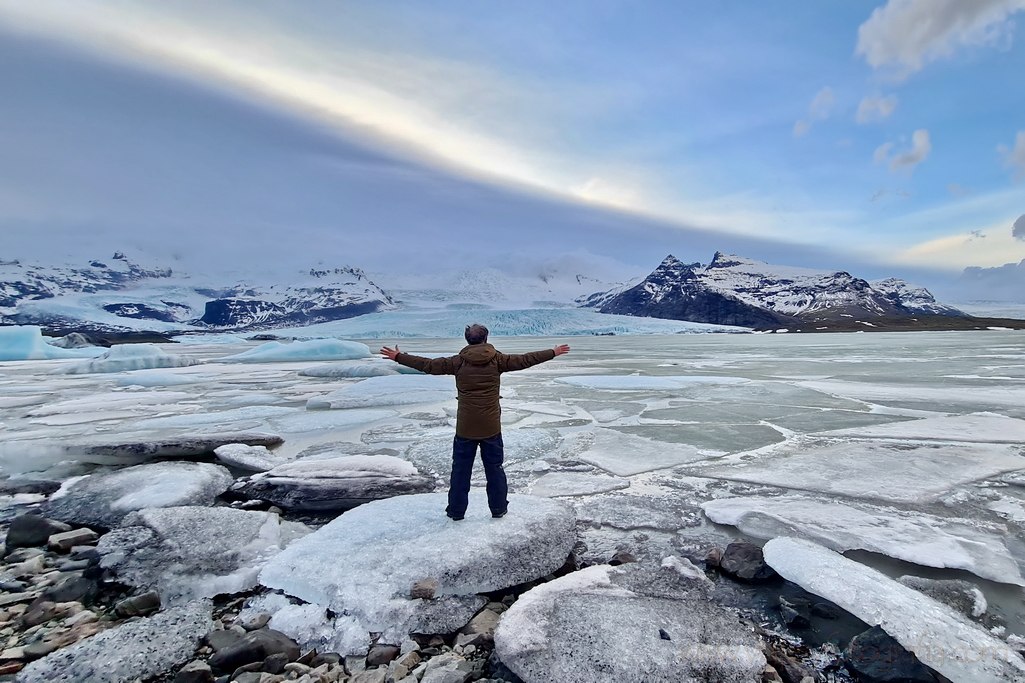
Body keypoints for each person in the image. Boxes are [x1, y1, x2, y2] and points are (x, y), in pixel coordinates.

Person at [380, 324, 569, 520]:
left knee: (460, 471)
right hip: (491, 428)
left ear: (467, 339)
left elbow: (427, 365)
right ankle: (499, 509)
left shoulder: (457, 362)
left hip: (465, 429)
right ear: (486, 338)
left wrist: (399, 357)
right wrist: (553, 352)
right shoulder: (498, 360)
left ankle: (456, 511)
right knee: (495, 469)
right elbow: (526, 360)